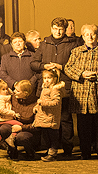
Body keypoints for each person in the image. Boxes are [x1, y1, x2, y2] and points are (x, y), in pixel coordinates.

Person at [31, 17, 81, 157]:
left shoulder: (71, 44)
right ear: (51, 28)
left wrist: (62, 67)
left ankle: (67, 148)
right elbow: (33, 63)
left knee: (65, 118)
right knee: (47, 118)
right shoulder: (44, 44)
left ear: (65, 30)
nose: (57, 32)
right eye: (55, 28)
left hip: (63, 86)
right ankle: (50, 147)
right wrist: (44, 66)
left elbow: (75, 65)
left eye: (60, 29)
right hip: (46, 87)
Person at [64, 24, 98, 160]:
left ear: (97, 35)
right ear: (83, 36)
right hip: (81, 92)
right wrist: (81, 74)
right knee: (83, 125)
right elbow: (68, 68)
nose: (90, 37)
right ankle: (85, 151)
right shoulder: (76, 51)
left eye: (93, 34)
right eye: (87, 34)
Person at [34, 69, 65, 162]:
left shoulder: (55, 89)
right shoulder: (44, 88)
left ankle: (53, 153)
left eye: (49, 78)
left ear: (55, 79)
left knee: (53, 136)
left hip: (51, 117)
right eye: (44, 78)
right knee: (46, 135)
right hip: (43, 116)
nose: (46, 80)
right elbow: (41, 99)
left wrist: (43, 103)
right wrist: (37, 106)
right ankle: (49, 151)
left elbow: (56, 102)